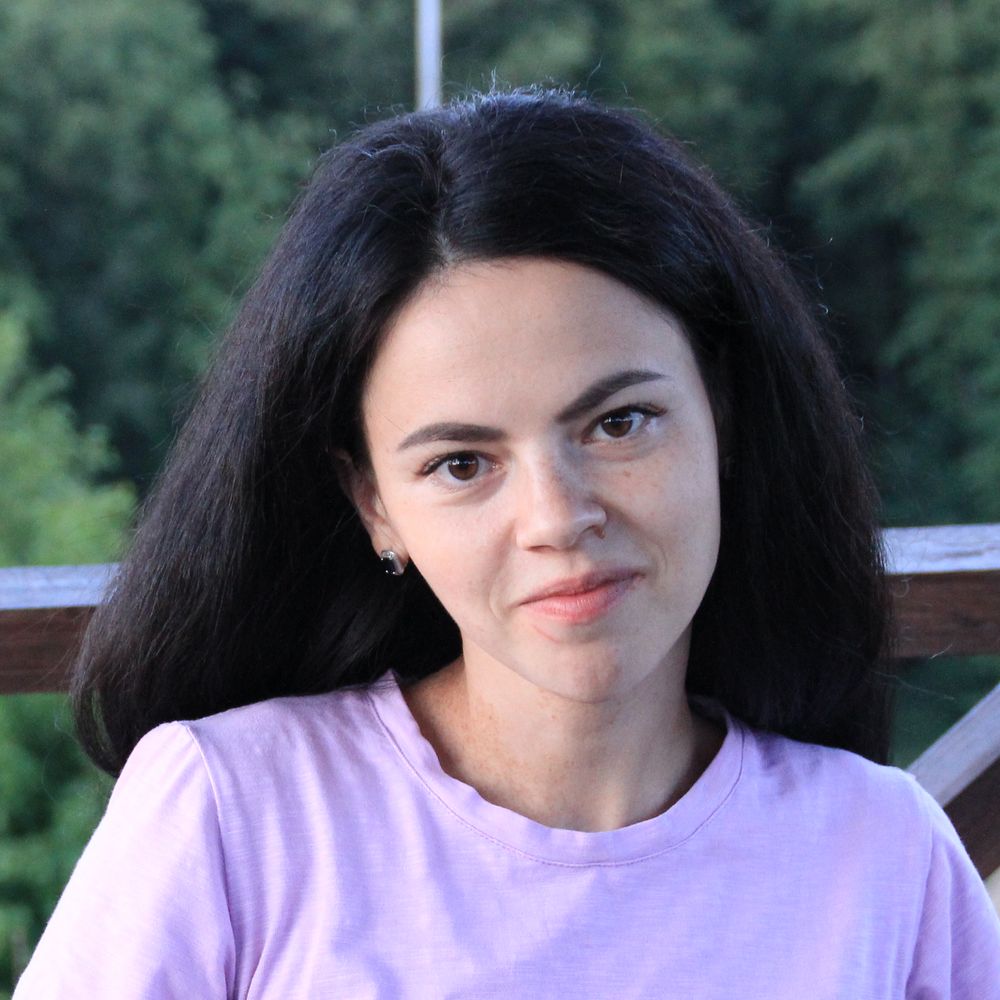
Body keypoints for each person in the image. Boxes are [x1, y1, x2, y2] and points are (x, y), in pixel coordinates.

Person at [14, 88, 1000, 998]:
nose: (557, 517)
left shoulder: (885, 855)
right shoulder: (230, 816)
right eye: (461, 464)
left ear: (725, 415)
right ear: (374, 504)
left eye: (618, 424)